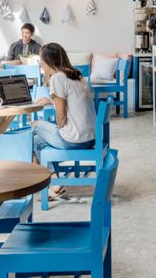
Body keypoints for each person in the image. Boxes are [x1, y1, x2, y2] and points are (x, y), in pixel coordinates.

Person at [31, 42, 97, 198]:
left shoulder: (57, 78)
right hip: (91, 137)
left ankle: (46, 179)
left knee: (34, 128)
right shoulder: (77, 76)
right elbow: (74, 102)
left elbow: (61, 117)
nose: (40, 64)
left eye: (41, 60)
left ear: (49, 61)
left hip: (74, 139)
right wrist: (51, 101)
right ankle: (52, 181)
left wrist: (60, 128)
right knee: (37, 141)